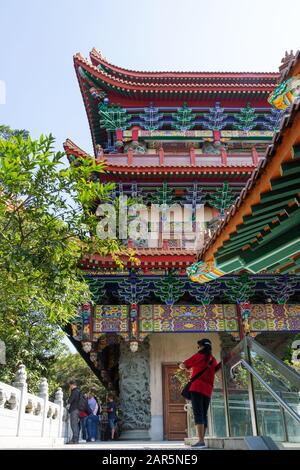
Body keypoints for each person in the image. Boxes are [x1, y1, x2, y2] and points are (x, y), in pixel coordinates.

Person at [179, 338, 221, 449]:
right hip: (208, 390)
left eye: (198, 346)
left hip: (197, 388)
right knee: (204, 414)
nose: (198, 348)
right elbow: (214, 370)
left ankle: (201, 441)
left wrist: (182, 365)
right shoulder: (212, 359)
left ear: (202, 347)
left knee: (198, 414)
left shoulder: (198, 356)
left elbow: (184, 365)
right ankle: (202, 439)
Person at [67, 379, 81, 444]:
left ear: (72, 385)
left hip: (74, 410)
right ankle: (76, 440)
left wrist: (68, 398)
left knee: (74, 425)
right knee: (76, 425)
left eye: (70, 386)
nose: (70, 387)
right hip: (77, 410)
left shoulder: (75, 391)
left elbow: (70, 400)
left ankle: (74, 440)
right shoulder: (78, 391)